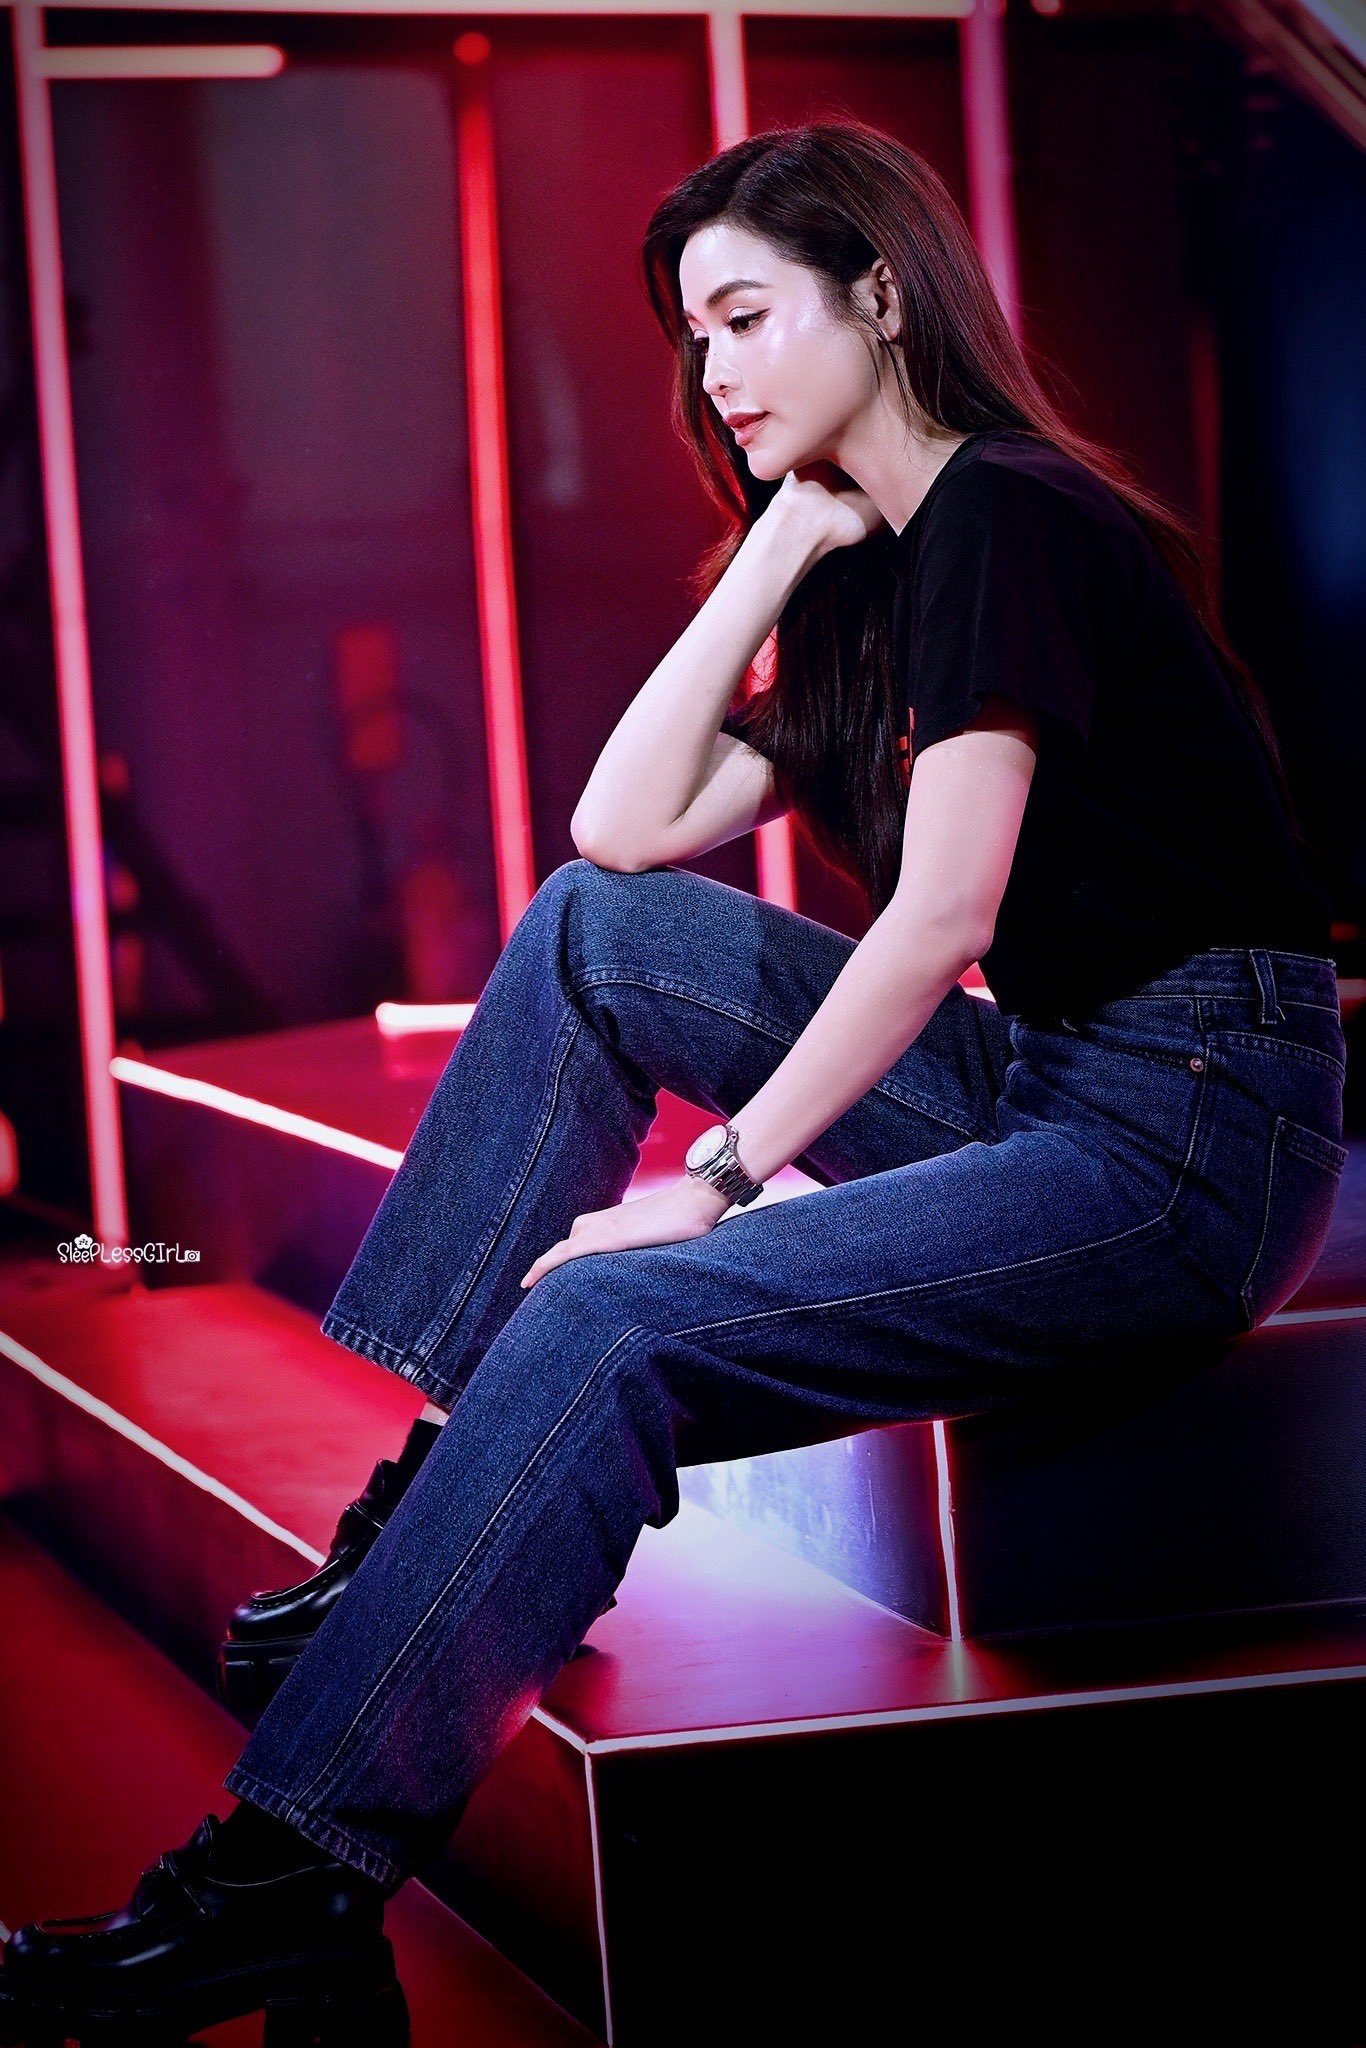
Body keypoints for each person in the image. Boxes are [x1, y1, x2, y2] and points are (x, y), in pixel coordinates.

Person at [0, 116, 1346, 2047]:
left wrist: (711, 1184)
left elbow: (938, 916)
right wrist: (781, 546)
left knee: (614, 1314)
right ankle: (424, 1515)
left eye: (744, 318)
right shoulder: (884, 567)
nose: (712, 374)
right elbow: (617, 836)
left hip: (1192, 1131)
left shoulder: (1011, 517)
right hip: (1053, 1075)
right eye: (691, 338)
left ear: (880, 297)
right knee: (588, 932)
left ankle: (278, 1888)